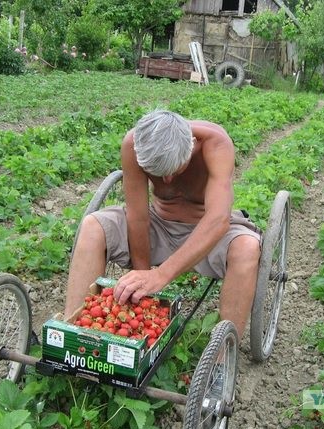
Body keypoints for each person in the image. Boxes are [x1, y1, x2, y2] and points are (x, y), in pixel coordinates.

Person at [64, 110, 261, 340]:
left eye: (175, 170)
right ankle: (73, 333)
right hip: (158, 224)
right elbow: (138, 217)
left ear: (191, 145)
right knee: (92, 226)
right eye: (158, 174)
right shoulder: (135, 144)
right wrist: (143, 275)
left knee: (247, 248)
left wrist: (161, 276)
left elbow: (218, 220)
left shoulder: (215, 143)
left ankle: (222, 359)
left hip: (205, 230)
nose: (167, 181)